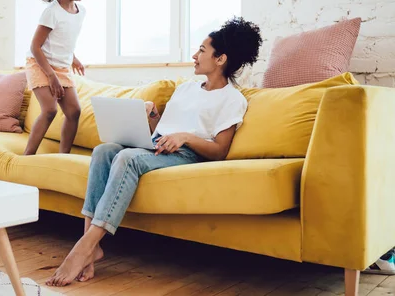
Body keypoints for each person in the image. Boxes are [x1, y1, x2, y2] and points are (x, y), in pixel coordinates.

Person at [46, 17, 264, 287]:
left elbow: (220, 151)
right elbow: (160, 131)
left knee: (127, 158)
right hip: (159, 145)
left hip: (188, 154)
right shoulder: (185, 88)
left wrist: (186, 137)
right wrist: (150, 116)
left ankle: (84, 247)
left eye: (202, 51)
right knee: (103, 150)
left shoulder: (233, 99)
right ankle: (91, 248)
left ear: (220, 59)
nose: (195, 56)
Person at [12, 0, 87, 155]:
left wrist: (73, 58)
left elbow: (64, 41)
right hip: (39, 64)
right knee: (50, 110)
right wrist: (51, 76)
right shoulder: (51, 12)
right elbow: (36, 47)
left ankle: (64, 156)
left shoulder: (81, 12)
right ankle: (27, 155)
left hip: (61, 67)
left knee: (74, 112)